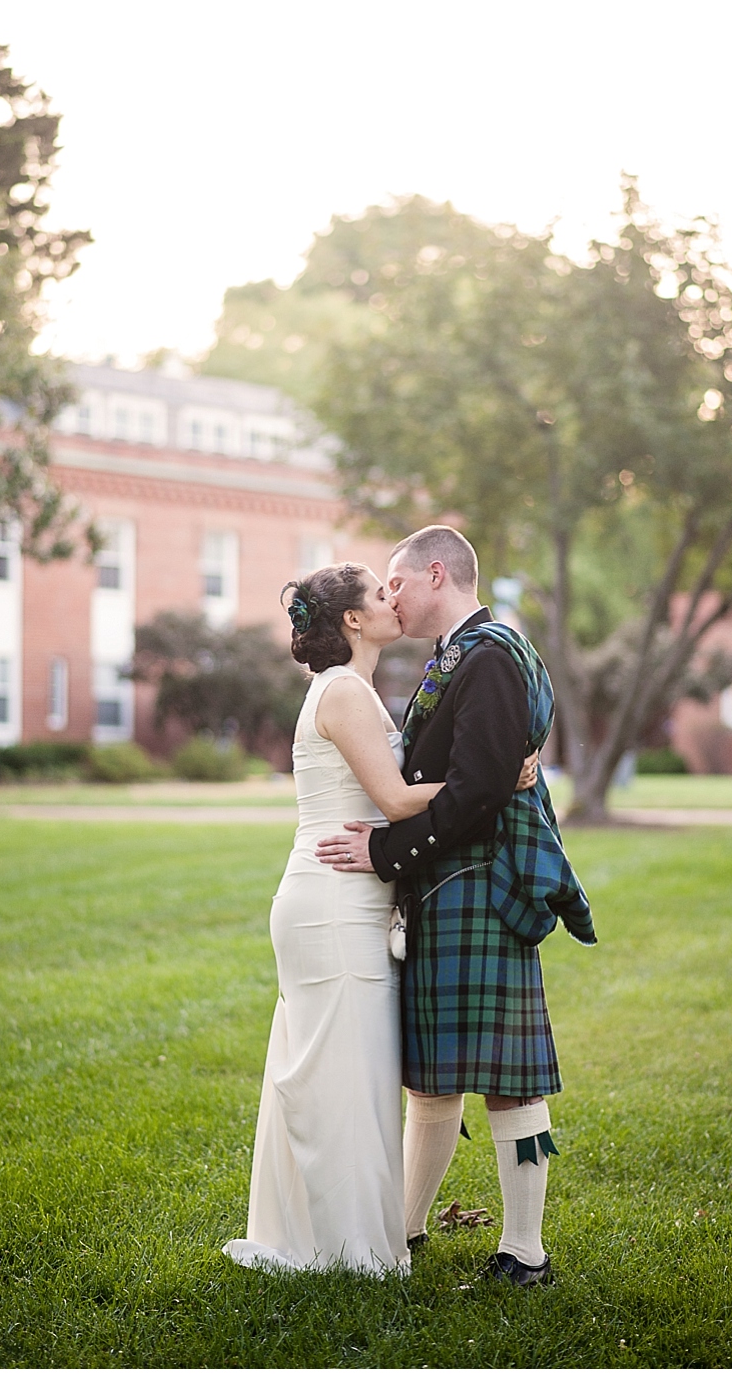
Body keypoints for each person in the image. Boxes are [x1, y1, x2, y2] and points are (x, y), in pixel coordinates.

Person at [222, 560, 538, 1274]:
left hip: (348, 898)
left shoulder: (352, 689)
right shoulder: (343, 692)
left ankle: (345, 1235)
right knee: (343, 1080)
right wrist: (493, 778)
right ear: (354, 620)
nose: (392, 598)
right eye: (378, 592)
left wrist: (485, 775)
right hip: (332, 903)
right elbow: (395, 800)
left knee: (351, 1074)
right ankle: (347, 1249)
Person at [315, 526, 596, 1288]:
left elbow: (477, 793)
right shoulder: (464, 654)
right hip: (451, 886)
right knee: (434, 1077)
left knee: (509, 1077)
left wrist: (385, 852)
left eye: (398, 583)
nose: (390, 597)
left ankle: (525, 1252)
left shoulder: (491, 654)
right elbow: (474, 772)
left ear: (436, 574)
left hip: (482, 885)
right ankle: (402, 1233)